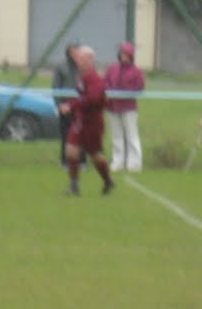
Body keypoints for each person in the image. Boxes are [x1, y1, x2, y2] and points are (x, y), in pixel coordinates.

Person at [61, 46, 115, 197]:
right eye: (78, 59)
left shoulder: (95, 79)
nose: (79, 62)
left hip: (93, 122)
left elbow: (93, 99)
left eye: (82, 59)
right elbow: (81, 97)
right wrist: (70, 104)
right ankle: (74, 186)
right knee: (71, 150)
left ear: (91, 60)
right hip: (81, 120)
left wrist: (71, 106)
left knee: (95, 155)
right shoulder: (82, 77)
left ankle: (107, 180)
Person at [104, 40, 146, 173]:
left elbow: (140, 88)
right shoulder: (112, 68)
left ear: (131, 56)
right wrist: (110, 91)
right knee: (117, 136)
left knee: (132, 136)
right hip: (112, 107)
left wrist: (126, 91)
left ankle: (134, 163)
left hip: (128, 108)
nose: (124, 56)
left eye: (126, 54)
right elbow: (105, 83)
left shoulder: (137, 71)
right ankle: (117, 162)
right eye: (122, 54)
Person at [52, 42, 80, 167]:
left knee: (81, 135)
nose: (75, 54)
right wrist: (60, 105)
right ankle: (65, 161)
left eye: (77, 51)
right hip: (65, 107)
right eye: (73, 51)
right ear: (68, 53)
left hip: (80, 107)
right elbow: (56, 87)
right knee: (66, 135)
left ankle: (81, 161)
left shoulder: (83, 66)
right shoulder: (61, 67)